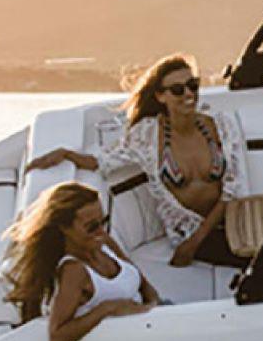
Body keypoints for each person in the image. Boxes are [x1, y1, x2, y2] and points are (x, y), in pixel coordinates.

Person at [26, 55, 251, 266]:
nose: (188, 93)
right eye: (177, 89)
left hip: (234, 222)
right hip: (188, 231)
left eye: (193, 85)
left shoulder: (221, 126)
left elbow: (232, 189)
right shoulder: (147, 135)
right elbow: (104, 161)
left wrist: (194, 244)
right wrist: (67, 155)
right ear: (160, 96)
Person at [0, 182, 163, 341]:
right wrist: (106, 309)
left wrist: (153, 308)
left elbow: (141, 282)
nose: (101, 231)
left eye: (103, 222)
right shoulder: (74, 271)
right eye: (91, 227)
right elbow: (56, 338)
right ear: (65, 228)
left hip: (151, 324)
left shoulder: (103, 242)